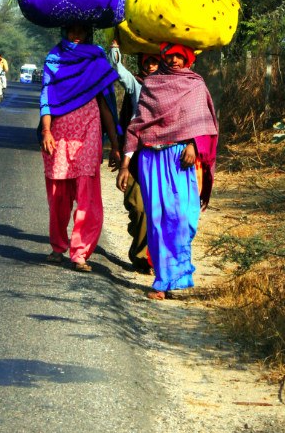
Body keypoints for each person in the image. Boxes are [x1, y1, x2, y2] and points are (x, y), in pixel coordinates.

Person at [116, 42, 218, 299]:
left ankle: (179, 274)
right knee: (158, 220)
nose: (173, 60)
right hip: (151, 158)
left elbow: (203, 122)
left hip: (180, 158)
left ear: (188, 59)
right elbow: (138, 124)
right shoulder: (152, 84)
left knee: (183, 218)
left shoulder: (195, 85)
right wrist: (126, 165)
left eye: (178, 56)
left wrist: (194, 145)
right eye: (169, 56)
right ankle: (163, 281)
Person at [40, 22, 121, 272]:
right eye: (72, 30)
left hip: (89, 133)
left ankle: (80, 253)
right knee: (58, 195)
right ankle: (57, 246)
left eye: (81, 30)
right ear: (64, 31)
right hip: (58, 135)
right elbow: (47, 97)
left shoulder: (96, 58)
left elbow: (106, 104)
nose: (76, 35)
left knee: (87, 195)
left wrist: (116, 145)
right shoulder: (54, 58)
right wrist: (46, 131)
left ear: (88, 32)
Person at [108, 41, 160, 273]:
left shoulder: (174, 86)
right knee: (138, 207)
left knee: (159, 210)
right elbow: (119, 70)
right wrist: (115, 47)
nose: (150, 65)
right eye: (147, 60)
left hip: (162, 156)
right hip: (135, 155)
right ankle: (139, 254)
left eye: (155, 60)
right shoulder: (136, 84)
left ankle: (150, 258)